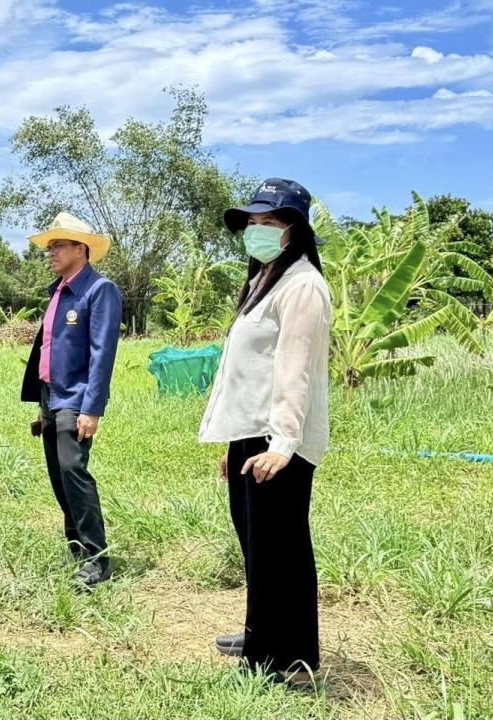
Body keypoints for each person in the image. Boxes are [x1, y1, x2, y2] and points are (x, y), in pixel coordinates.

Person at [198, 178, 332, 686]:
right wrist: (237, 440)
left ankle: (291, 661)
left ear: (294, 230)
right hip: (252, 433)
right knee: (257, 543)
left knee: (283, 547)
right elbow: (248, 368)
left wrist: (281, 444)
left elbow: (294, 370)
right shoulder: (265, 280)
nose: (255, 231)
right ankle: (261, 635)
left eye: (267, 223)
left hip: (280, 438)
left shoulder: (303, 286)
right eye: (250, 223)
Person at [20, 211, 122, 588]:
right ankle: (77, 549)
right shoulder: (58, 292)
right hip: (51, 397)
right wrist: (41, 405)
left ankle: (97, 559)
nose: (51, 252)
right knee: (58, 476)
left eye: (58, 245)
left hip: (76, 399)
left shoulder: (99, 290)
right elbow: (50, 350)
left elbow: (102, 353)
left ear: (81, 249)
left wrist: (91, 408)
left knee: (74, 473)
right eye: (49, 246)